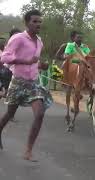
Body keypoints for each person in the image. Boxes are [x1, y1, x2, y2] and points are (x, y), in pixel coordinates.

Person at [0, 9, 53, 161]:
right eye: (34, 21)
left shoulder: (40, 42)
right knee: (10, 113)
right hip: (18, 81)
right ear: (27, 22)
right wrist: (25, 61)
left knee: (40, 113)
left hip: (34, 83)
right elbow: (4, 57)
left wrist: (42, 65)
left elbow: (35, 62)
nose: (38, 24)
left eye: (40, 22)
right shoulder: (18, 38)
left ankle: (28, 150)